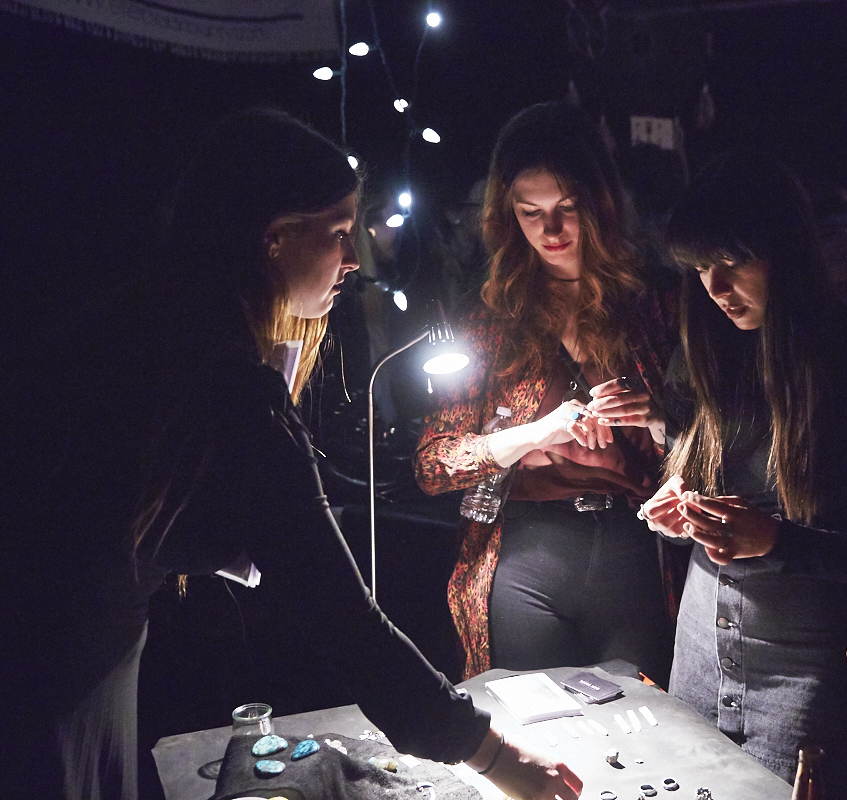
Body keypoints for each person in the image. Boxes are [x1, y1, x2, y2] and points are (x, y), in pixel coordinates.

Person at [0, 108, 581, 800]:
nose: (354, 262)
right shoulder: (225, 386)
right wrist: (496, 758)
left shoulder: (142, 329)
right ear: (274, 238)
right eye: (338, 234)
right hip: (60, 681)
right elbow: (344, 620)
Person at [639, 149, 847, 796]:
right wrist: (679, 512)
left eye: (732, 263)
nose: (715, 289)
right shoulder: (705, 355)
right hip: (702, 656)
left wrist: (774, 541)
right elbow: (691, 482)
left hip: (811, 676)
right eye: (701, 269)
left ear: (785, 253)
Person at [414, 101, 677, 683]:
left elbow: (715, 447)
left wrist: (660, 419)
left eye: (567, 209)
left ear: (602, 204)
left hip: (634, 550)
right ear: (507, 215)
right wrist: (533, 433)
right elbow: (434, 464)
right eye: (530, 213)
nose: (550, 232)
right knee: (533, 731)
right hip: (524, 552)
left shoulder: (656, 305)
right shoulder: (491, 316)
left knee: (644, 728)